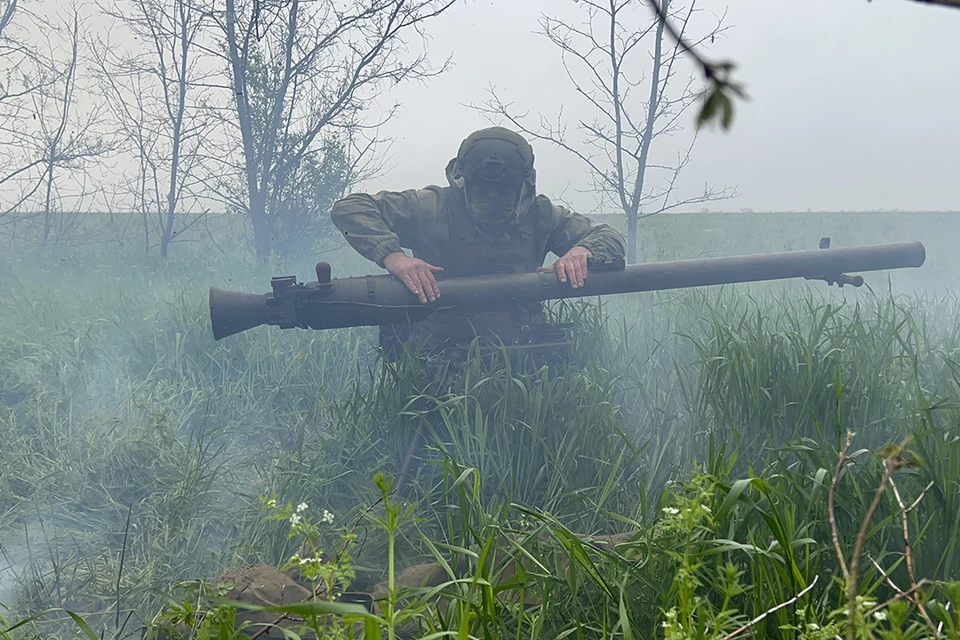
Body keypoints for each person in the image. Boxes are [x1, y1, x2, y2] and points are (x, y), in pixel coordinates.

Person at [330, 126, 626, 364]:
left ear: (522, 186)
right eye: (484, 189)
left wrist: (581, 252)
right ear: (465, 182)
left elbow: (608, 236)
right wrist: (393, 256)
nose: (493, 198)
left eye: (503, 190)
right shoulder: (430, 207)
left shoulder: (540, 215)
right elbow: (351, 208)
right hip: (438, 347)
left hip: (523, 345)